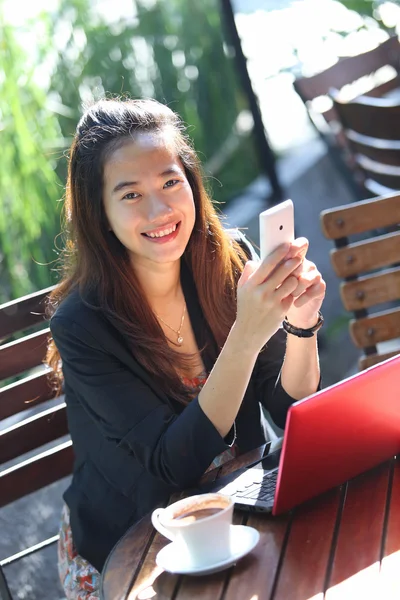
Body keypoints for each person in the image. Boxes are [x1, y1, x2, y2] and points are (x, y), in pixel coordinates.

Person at [46, 97, 326, 598]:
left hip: (233, 511)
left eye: (170, 182)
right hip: (131, 546)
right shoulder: (81, 326)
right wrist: (247, 332)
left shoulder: (229, 262)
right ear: (100, 212)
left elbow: (288, 410)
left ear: (192, 183)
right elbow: (174, 466)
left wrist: (300, 328)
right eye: (130, 195)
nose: (159, 211)